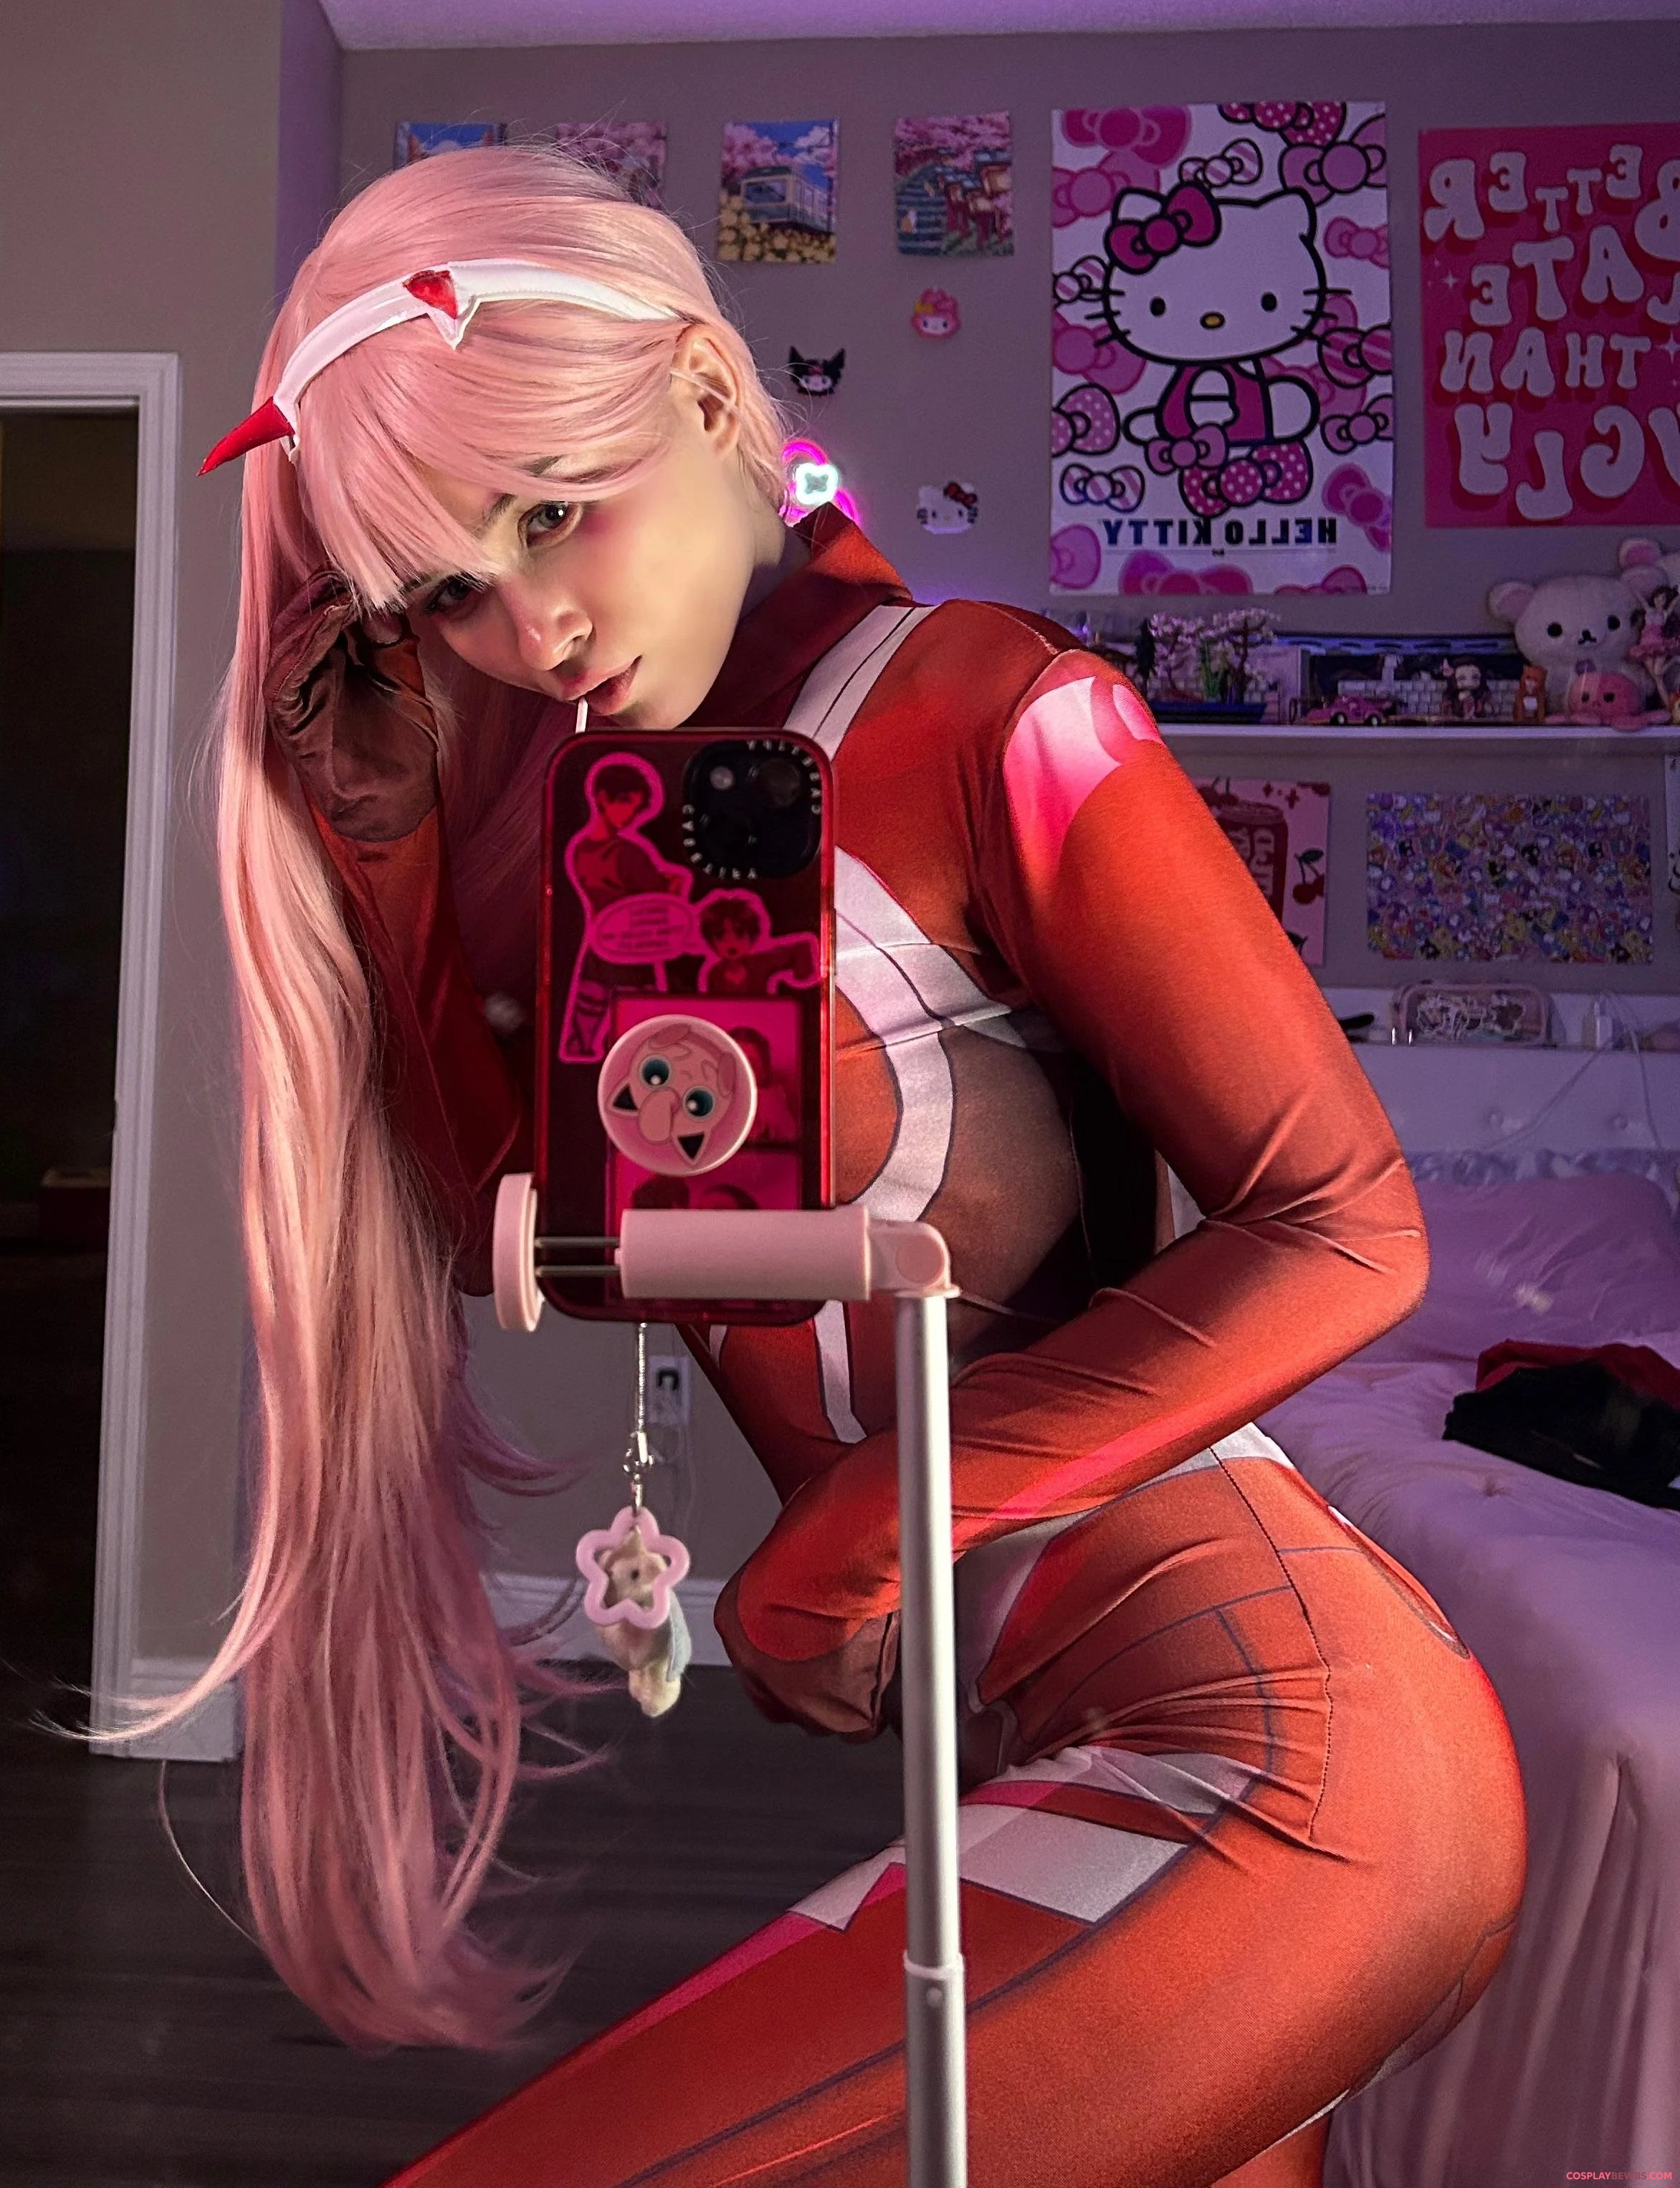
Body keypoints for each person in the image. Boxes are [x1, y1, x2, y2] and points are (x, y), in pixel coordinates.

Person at [171, 144, 1524, 2188]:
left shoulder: (994, 712)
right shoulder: (631, 821)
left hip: (1281, 1744)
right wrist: (387, 860)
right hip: (1044, 1736)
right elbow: (524, 1238)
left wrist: (871, 1519)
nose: (533, 626)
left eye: (556, 510)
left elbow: (1346, 1226)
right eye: (450, 588)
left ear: (714, 395)